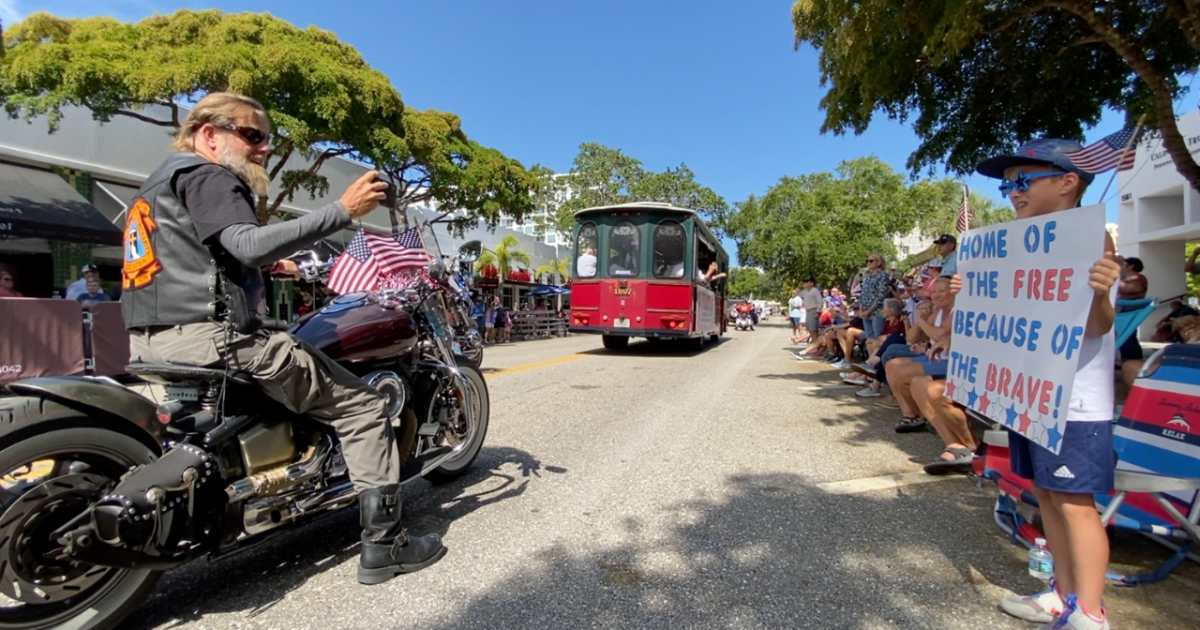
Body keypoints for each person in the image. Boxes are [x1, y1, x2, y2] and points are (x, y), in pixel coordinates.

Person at [120, 92, 444, 585]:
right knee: (362, 406)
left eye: (267, 138)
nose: (265, 147)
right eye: (252, 135)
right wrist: (342, 210)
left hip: (152, 341)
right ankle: (386, 546)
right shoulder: (208, 174)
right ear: (209, 134)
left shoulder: (159, 182)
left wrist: (268, 267)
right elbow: (246, 244)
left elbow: (202, 255)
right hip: (216, 339)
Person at [970, 138, 1119, 630]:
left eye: (1022, 181)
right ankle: (1063, 593)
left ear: (1068, 181)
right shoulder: (1020, 245)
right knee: (1047, 497)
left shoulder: (1094, 242)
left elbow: (1097, 326)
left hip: (1075, 401)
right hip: (1031, 394)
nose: (1013, 192)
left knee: (1076, 505)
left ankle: (1090, 613)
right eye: (1007, 185)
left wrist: (1100, 295)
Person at [858, 254, 891, 342]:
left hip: (877, 312)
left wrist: (869, 311)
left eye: (871, 261)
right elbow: (863, 293)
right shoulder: (867, 276)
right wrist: (861, 309)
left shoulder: (883, 275)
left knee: (878, 337)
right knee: (869, 338)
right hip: (865, 312)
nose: (868, 263)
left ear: (878, 262)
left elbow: (881, 295)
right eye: (867, 261)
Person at [798, 278, 824, 342]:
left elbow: (820, 301)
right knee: (810, 329)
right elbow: (797, 294)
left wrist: (817, 311)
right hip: (808, 311)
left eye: (807, 282)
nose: (805, 283)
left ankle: (815, 344)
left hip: (813, 310)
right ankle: (814, 343)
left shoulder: (815, 291)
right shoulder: (805, 291)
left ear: (812, 283)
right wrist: (799, 287)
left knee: (813, 329)